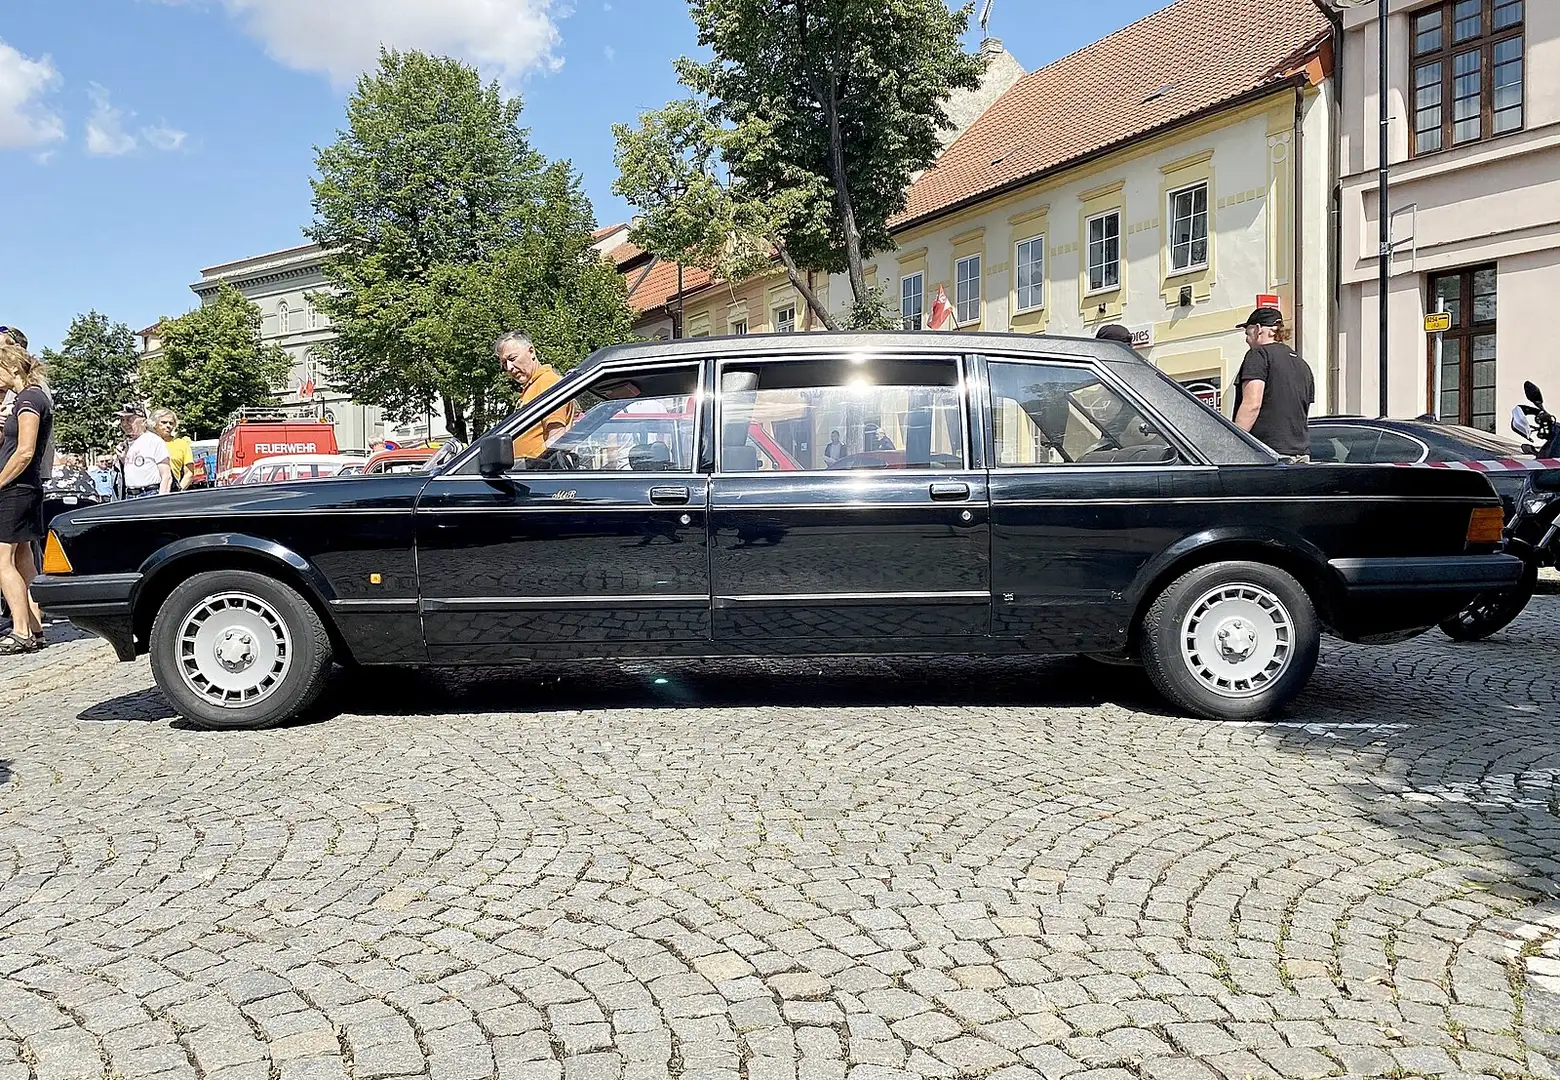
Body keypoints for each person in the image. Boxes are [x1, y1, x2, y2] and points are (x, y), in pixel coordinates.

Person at [0, 343, 52, 653]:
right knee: (22, 558)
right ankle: (34, 628)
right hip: (23, 488)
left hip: (16, 490)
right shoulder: (26, 398)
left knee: (2, 560)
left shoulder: (30, 399)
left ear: (12, 368)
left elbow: (25, 452)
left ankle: (21, 630)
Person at [1232, 307, 1314, 464]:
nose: (1247, 340)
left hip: (1266, 454)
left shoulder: (1258, 355)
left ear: (1258, 329)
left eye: (1247, 333)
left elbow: (1252, 405)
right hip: (1300, 455)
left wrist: (1232, 443)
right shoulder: (1302, 364)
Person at [496, 331, 575, 461]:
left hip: (538, 471)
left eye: (512, 359)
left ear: (531, 352)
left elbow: (556, 437)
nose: (509, 367)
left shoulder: (547, 382)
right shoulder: (531, 387)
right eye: (504, 363)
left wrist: (543, 467)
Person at [117, 403, 173, 497]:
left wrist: (161, 499)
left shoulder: (154, 441)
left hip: (149, 494)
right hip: (130, 495)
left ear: (143, 421)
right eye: (122, 420)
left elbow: (166, 476)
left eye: (130, 419)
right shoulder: (125, 445)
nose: (125, 424)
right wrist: (123, 459)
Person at [151, 408, 195, 490]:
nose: (168, 426)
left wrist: (179, 490)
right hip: (148, 489)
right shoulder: (147, 442)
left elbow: (189, 473)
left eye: (171, 423)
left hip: (171, 489)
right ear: (155, 424)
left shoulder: (181, 444)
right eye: (164, 422)